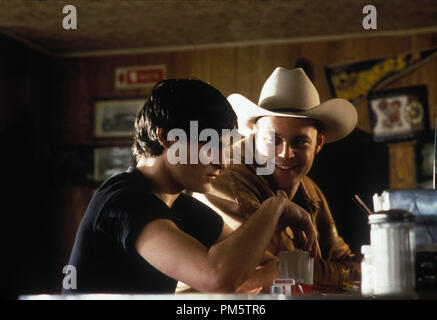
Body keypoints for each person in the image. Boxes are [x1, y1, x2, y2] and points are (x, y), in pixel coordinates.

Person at [63, 78, 320, 294]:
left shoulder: (181, 206)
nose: (222, 162)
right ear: (168, 138)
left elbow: (271, 266)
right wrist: (275, 207)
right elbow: (216, 277)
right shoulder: (124, 200)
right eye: (212, 146)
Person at [197, 67, 362, 289]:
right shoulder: (227, 179)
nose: (285, 153)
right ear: (255, 137)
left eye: (300, 142)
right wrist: (341, 273)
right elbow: (276, 269)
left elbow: (344, 260)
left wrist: (335, 270)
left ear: (319, 143)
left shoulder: (309, 188)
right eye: (273, 140)